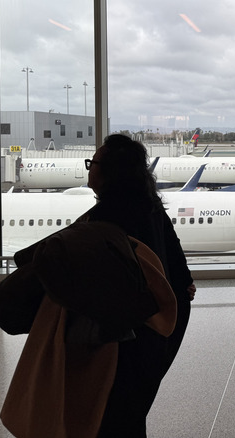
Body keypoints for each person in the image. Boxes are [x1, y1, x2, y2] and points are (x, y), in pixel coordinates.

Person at [84, 134, 196, 437]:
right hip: (157, 328)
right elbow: (174, 253)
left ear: (110, 171)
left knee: (116, 415)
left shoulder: (105, 219)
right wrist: (182, 290)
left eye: (92, 163)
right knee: (131, 412)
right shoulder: (148, 205)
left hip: (128, 334)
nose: (89, 169)